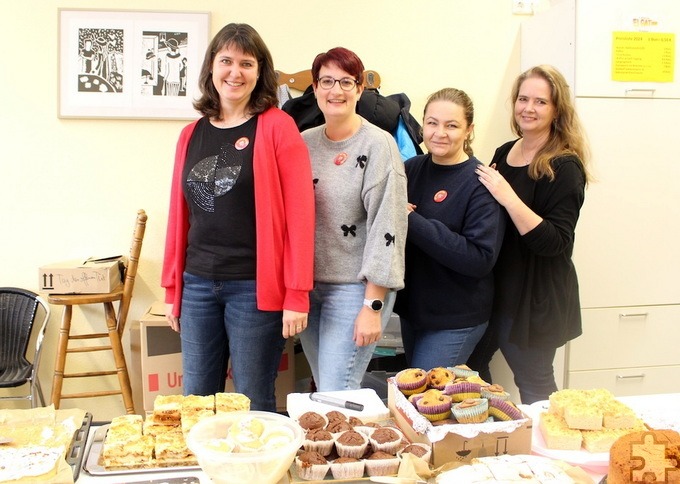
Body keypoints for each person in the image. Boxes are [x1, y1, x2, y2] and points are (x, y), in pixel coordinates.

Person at [161, 23, 315, 412]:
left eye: (246, 63)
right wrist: (172, 290)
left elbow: (301, 215)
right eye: (226, 60)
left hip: (253, 289)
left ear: (260, 71)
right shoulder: (190, 134)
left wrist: (297, 293)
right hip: (196, 285)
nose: (235, 72)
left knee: (252, 400)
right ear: (211, 67)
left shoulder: (278, 126)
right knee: (196, 400)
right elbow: (179, 215)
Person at [467, 65, 592, 404]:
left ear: (556, 110)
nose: (528, 108)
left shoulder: (565, 167)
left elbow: (555, 242)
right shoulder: (505, 152)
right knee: (470, 371)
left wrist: (507, 195)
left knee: (535, 384)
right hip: (498, 288)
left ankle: (550, 452)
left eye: (540, 101)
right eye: (523, 99)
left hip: (536, 298)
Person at [298, 47, 408, 391]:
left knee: (336, 392)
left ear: (360, 89)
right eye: (327, 81)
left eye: (346, 82)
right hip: (309, 288)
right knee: (327, 389)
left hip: (354, 290)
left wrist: (373, 306)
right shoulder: (303, 143)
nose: (336, 91)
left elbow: (387, 228)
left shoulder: (379, 145)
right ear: (315, 88)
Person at [394, 88, 504, 370]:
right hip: (414, 311)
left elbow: (479, 258)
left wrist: (412, 221)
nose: (439, 133)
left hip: (456, 318)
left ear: (469, 130)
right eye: (432, 123)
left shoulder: (480, 183)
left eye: (451, 125)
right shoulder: (411, 169)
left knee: (424, 401)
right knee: (416, 400)